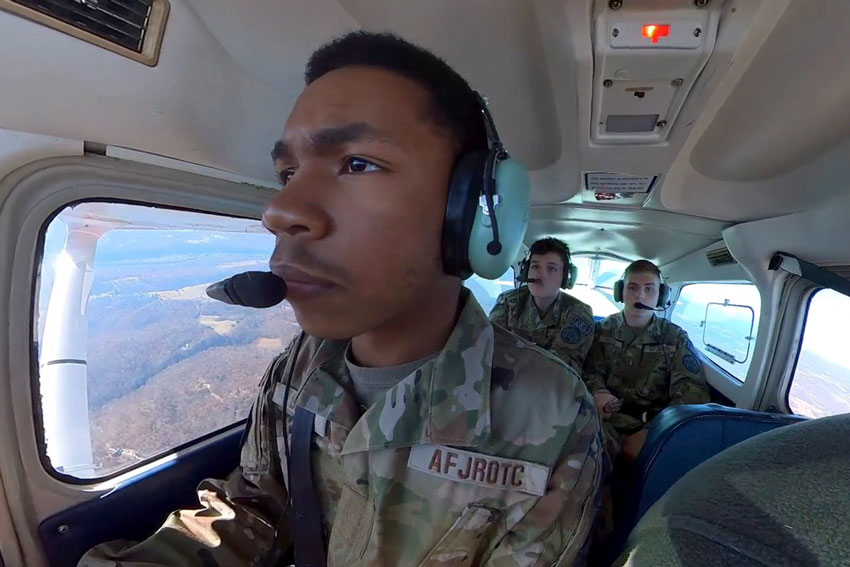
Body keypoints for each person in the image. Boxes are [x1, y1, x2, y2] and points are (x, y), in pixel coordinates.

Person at [78, 31, 603, 567]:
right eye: (287, 173)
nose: (279, 209)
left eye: (358, 163)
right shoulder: (297, 368)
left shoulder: (553, 416)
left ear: (474, 213)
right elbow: (254, 510)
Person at [582, 259, 709, 463]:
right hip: (604, 422)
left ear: (660, 296)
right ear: (620, 293)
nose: (640, 295)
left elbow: (692, 394)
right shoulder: (601, 330)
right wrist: (598, 392)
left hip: (654, 427)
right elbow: (589, 371)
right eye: (632, 288)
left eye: (649, 289)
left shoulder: (675, 338)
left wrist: (653, 431)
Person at [489, 237, 595, 374]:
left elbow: (559, 367)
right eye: (535, 266)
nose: (540, 274)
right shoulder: (508, 301)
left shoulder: (579, 313)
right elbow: (490, 347)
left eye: (551, 268)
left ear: (565, 277)